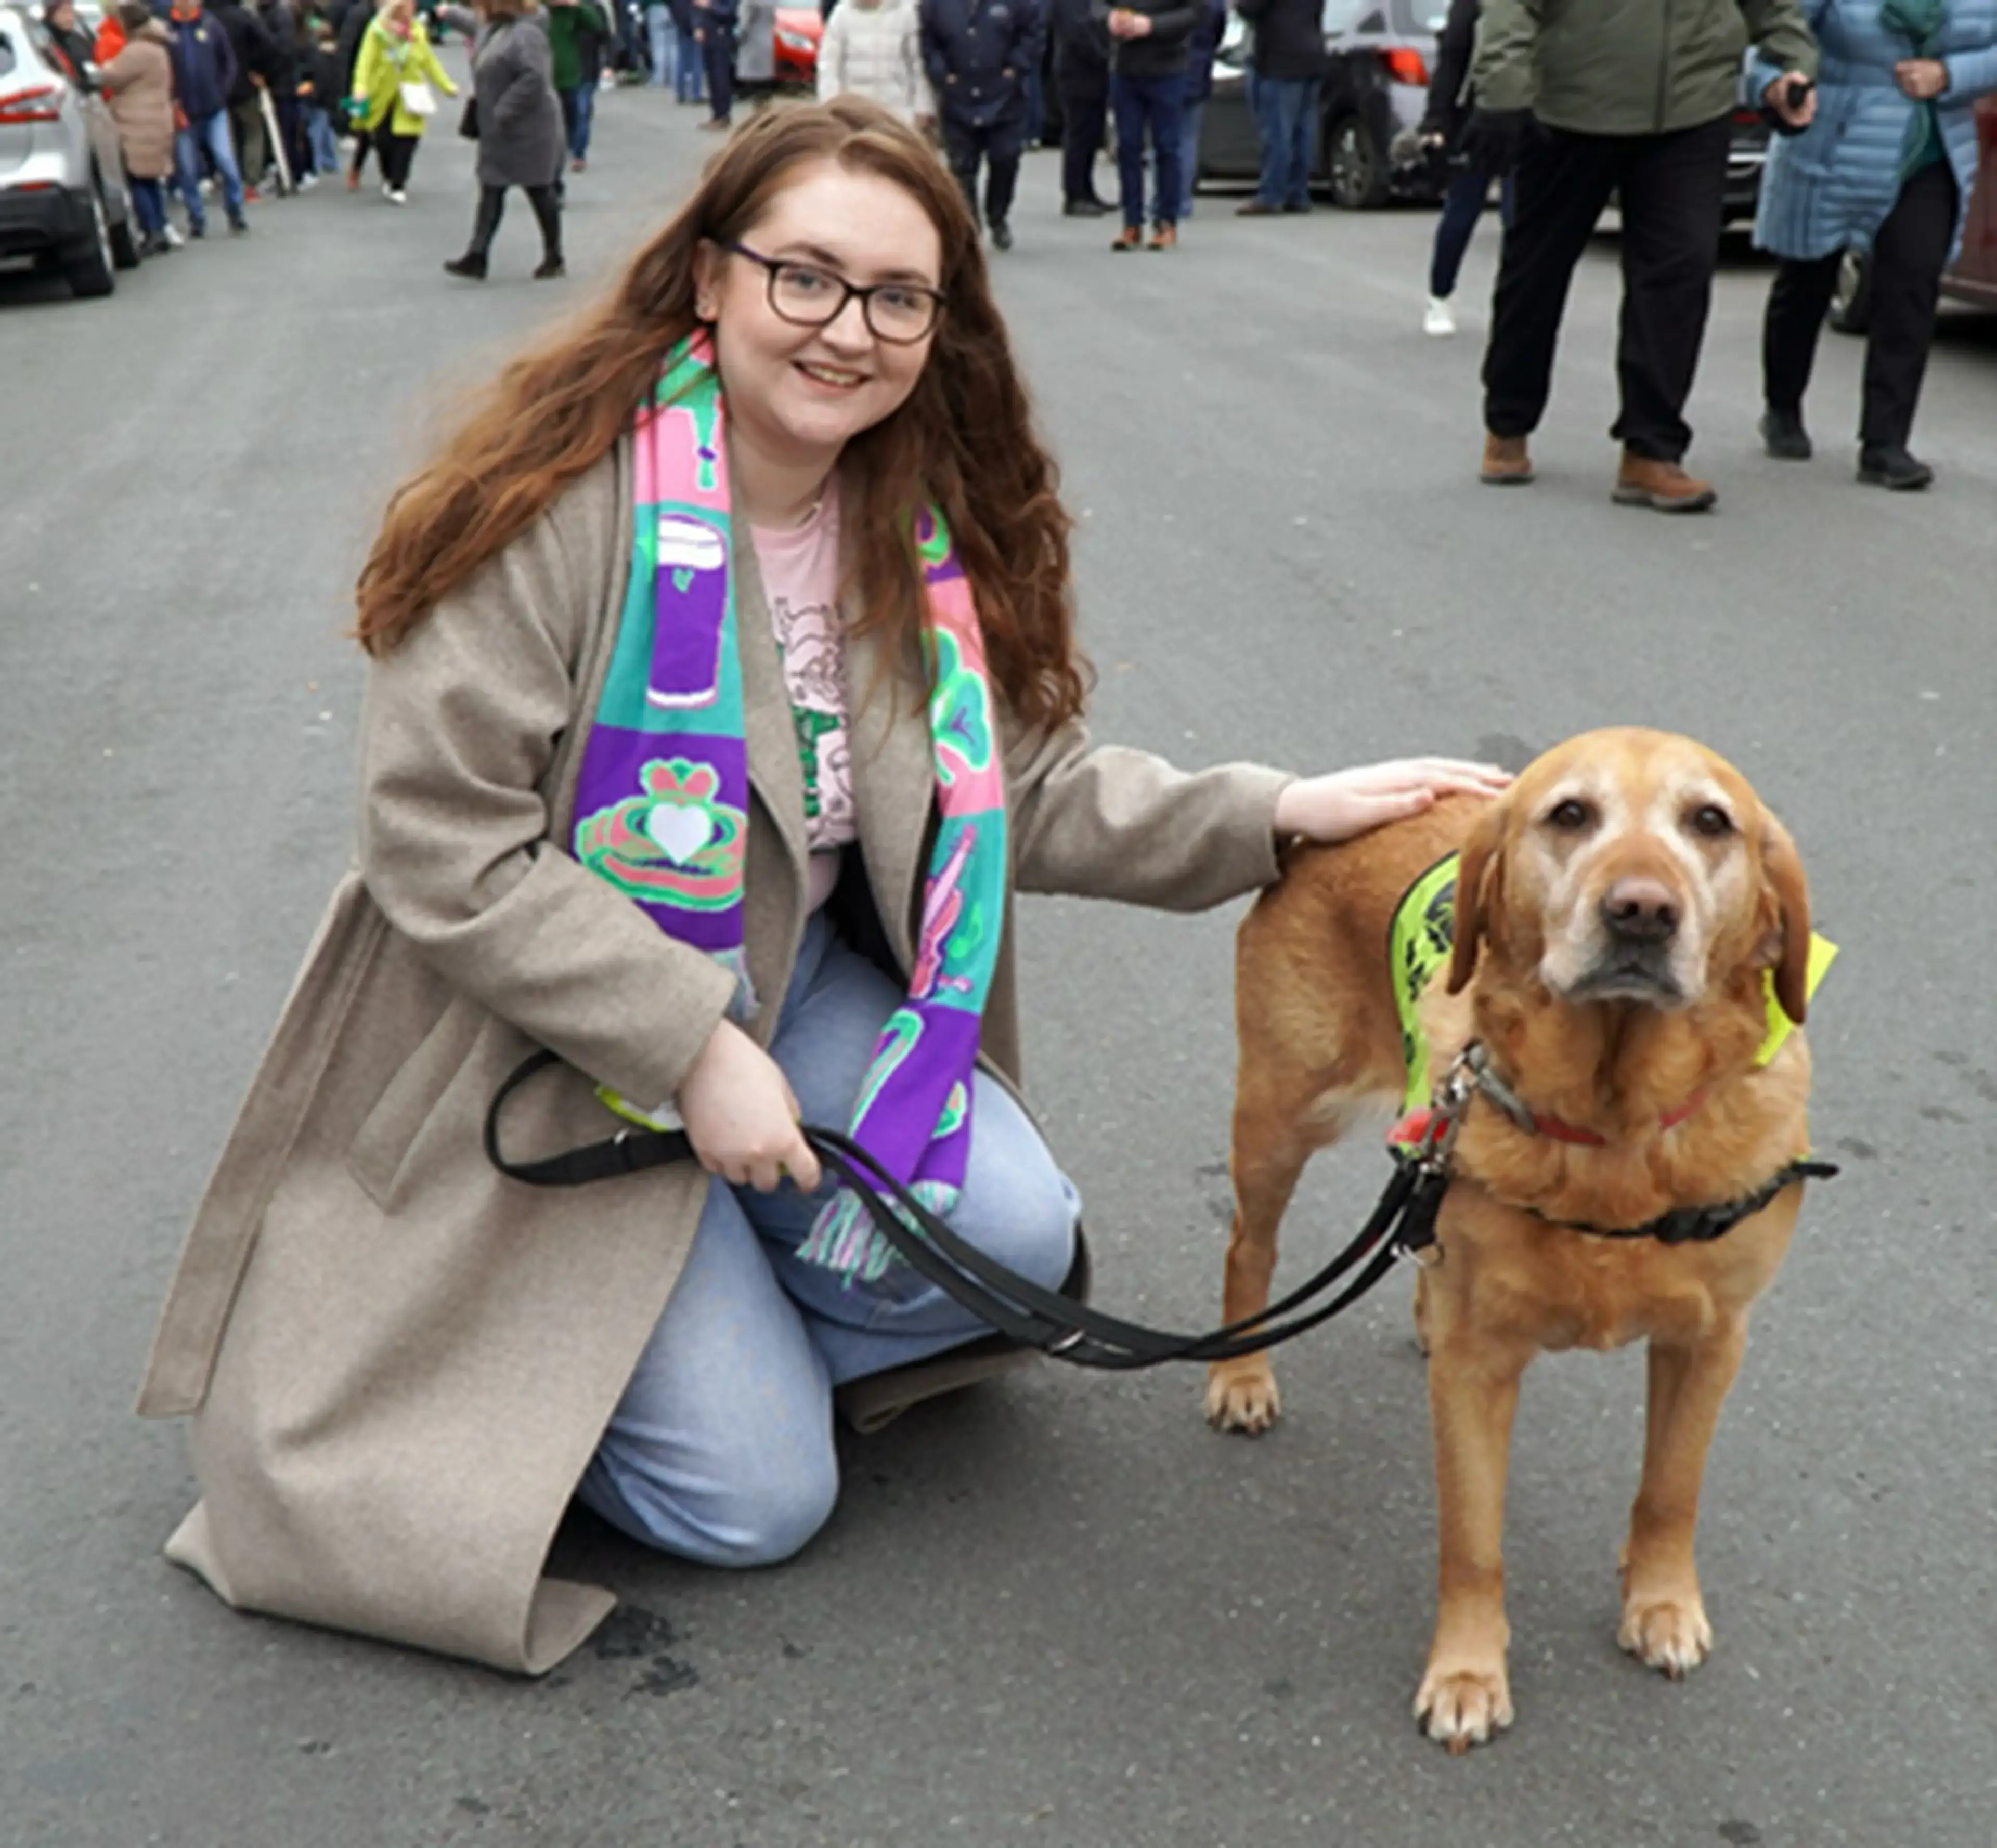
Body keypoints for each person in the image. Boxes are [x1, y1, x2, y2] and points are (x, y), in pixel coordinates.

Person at [136, 95, 1506, 1674]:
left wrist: (1276, 813)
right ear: (708, 276)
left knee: (1019, 1244)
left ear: (940, 323)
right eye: (803, 274)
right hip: (526, 1036)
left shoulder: (913, 529)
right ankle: (536, 1349)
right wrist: (689, 1043)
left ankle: (705, 1279)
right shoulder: (555, 505)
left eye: (896, 295)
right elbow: (440, 834)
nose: (846, 328)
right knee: (755, 1496)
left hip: (787, 996)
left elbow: (1031, 787)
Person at [1468, 0, 1818, 510]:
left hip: (1692, 108)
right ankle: (1508, 419)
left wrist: (1795, 64)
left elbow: (1774, 6)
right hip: (1574, 108)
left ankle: (1651, 449)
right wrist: (1502, 91)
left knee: (1681, 274)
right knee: (1536, 271)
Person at [1753, 0, 1997, 490]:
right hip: (1834, 142)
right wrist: (1777, 86)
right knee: (1806, 278)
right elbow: (1773, 35)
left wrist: (1950, 74)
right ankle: (1782, 407)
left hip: (1929, 152)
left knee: (1912, 286)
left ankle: (1885, 445)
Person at [1404, 0, 1511, 337]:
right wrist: (1436, 121)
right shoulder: (1472, 6)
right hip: (1476, 120)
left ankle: (1511, 305)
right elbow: (1452, 62)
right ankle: (1440, 295)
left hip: (1528, 118)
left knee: (1520, 218)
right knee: (1462, 212)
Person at [445, 0, 564, 277]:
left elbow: (535, 77)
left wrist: (505, 108)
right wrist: (448, 13)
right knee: (492, 188)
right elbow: (470, 25)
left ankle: (554, 254)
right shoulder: (493, 29)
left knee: (539, 189)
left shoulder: (527, 34)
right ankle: (478, 254)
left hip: (530, 128)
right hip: (498, 127)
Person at [920, 0, 1041, 248]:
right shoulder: (935, 5)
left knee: (1005, 158)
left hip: (1005, 95)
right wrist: (942, 74)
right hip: (959, 94)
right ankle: (970, 225)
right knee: (962, 166)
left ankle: (998, 216)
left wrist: (1015, 66)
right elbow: (928, 42)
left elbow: (1034, 32)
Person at [1105, 0, 1196, 251]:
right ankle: (1131, 223)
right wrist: (1110, 19)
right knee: (1128, 148)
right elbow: (1095, 6)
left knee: (1167, 148)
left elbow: (1196, 12)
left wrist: (1153, 25)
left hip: (1168, 69)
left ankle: (1167, 222)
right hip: (1126, 68)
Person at [350, 0, 457, 202]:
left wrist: (447, 86)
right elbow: (365, 62)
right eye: (407, 6)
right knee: (383, 140)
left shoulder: (417, 31)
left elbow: (429, 61)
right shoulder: (376, 31)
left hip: (410, 95)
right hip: (381, 94)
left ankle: (399, 182)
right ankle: (389, 176)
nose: (412, 10)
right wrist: (360, 88)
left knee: (408, 140)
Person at [99, 2, 179, 256]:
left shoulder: (137, 51)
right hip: (155, 117)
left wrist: (100, 70)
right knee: (151, 177)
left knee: (137, 178)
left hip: (137, 121)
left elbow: (112, 76)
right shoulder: (157, 47)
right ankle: (160, 226)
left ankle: (152, 231)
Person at [166, 0, 251, 236]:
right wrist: (172, 100)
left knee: (226, 161)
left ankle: (235, 210)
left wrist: (222, 91)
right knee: (187, 169)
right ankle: (196, 217)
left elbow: (229, 62)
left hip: (214, 110)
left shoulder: (211, 25)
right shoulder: (168, 31)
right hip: (184, 113)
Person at [1233, 0, 1320, 216]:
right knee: (1302, 131)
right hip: (1312, 54)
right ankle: (1297, 193)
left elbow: (1249, 7)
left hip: (1280, 59)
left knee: (1277, 132)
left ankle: (1271, 195)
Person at [816, 0, 932, 126]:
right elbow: (829, 66)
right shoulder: (841, 14)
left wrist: (923, 106)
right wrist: (830, 105)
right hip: (854, 115)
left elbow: (917, 64)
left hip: (898, 114)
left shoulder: (905, 13)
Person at [210, 0, 279, 195]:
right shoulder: (242, 17)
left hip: (215, 87)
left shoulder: (205, 19)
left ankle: (228, 177)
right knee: (253, 131)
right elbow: (268, 45)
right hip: (244, 83)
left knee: (225, 134)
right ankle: (252, 180)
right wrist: (259, 69)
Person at [1166, 0, 1224, 222]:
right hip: (1199, 69)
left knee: (1165, 140)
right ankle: (1183, 200)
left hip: (1169, 68)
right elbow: (1218, 30)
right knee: (1188, 139)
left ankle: (1166, 198)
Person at [1051, 0, 1110, 214]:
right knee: (1079, 132)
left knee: (1092, 133)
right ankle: (1075, 194)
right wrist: (1103, 55)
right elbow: (1076, 29)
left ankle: (1087, 189)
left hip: (1093, 69)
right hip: (1077, 68)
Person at [546, 0, 608, 171]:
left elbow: (599, 28)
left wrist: (576, 5)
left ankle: (578, 153)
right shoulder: (540, 12)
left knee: (580, 111)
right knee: (557, 119)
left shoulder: (582, 9)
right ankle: (559, 155)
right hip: (548, 75)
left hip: (581, 71)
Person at [693, 0, 738, 126]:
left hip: (722, 37)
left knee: (721, 78)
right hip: (708, 38)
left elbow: (731, 13)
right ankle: (716, 114)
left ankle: (723, 115)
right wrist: (698, 27)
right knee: (712, 78)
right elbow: (698, 10)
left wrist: (710, 6)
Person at [40, 0, 98, 86]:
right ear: (51, 14)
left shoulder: (75, 37)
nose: (69, 17)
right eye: (64, 12)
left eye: (71, 11)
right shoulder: (48, 43)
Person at [670, 0, 704, 100]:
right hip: (696, 23)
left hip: (682, 23)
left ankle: (681, 92)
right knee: (697, 60)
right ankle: (695, 93)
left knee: (682, 59)